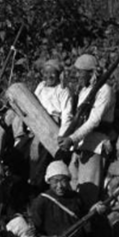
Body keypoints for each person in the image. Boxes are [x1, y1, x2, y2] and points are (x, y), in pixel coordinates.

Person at [57, 54, 116, 207]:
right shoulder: (84, 91)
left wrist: (72, 139)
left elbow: (94, 121)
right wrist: (65, 137)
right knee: (71, 189)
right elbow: (76, 118)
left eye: (80, 72)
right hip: (79, 146)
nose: (77, 75)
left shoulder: (105, 91)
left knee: (88, 194)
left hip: (94, 146)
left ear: (91, 73)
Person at [28, 59, 74, 190]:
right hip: (37, 123)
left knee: (42, 156)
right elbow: (32, 104)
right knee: (23, 149)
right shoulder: (41, 86)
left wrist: (62, 135)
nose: (49, 76)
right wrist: (31, 127)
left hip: (52, 126)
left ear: (59, 74)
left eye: (52, 73)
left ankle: (37, 186)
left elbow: (67, 115)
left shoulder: (63, 90)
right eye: (46, 73)